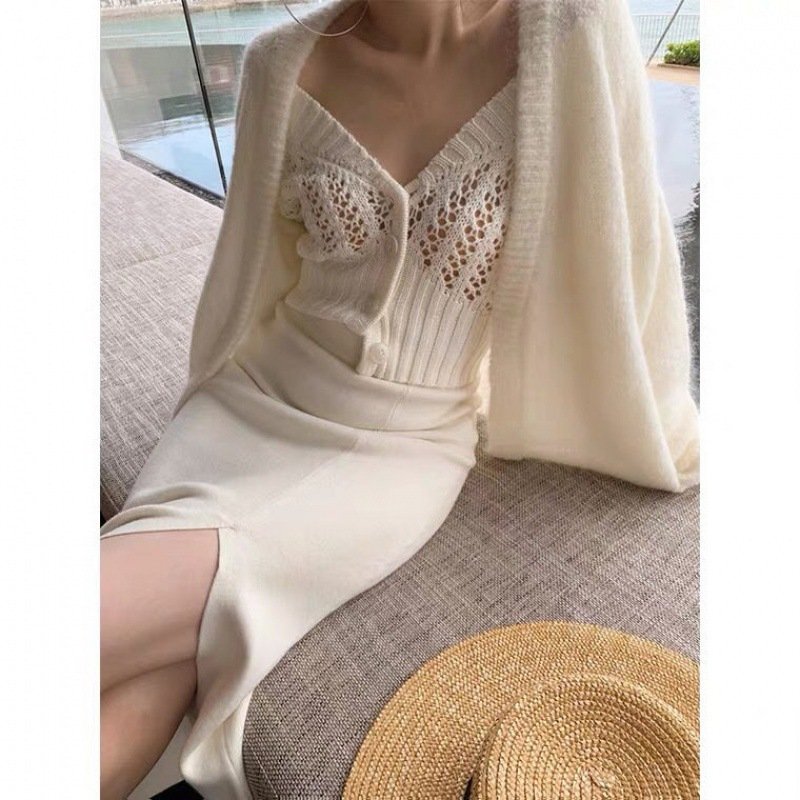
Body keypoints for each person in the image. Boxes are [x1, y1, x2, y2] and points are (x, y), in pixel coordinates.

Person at [100, 0, 699, 797]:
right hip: (248, 401)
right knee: (155, 673)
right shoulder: (279, 63)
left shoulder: (571, 31)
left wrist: (654, 419)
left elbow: (628, 255)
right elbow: (250, 273)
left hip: (396, 454)